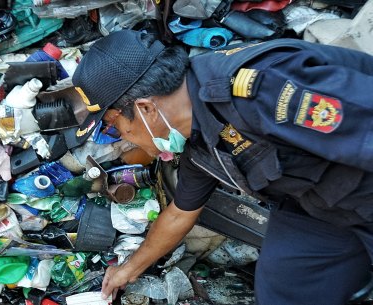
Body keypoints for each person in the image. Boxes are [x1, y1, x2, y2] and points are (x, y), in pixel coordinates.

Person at [71, 30, 373, 305]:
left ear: (146, 109)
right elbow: (179, 213)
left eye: (114, 128)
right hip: (316, 207)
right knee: (285, 288)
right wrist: (128, 270)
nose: (122, 139)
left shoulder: (264, 89)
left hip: (364, 190)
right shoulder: (199, 140)